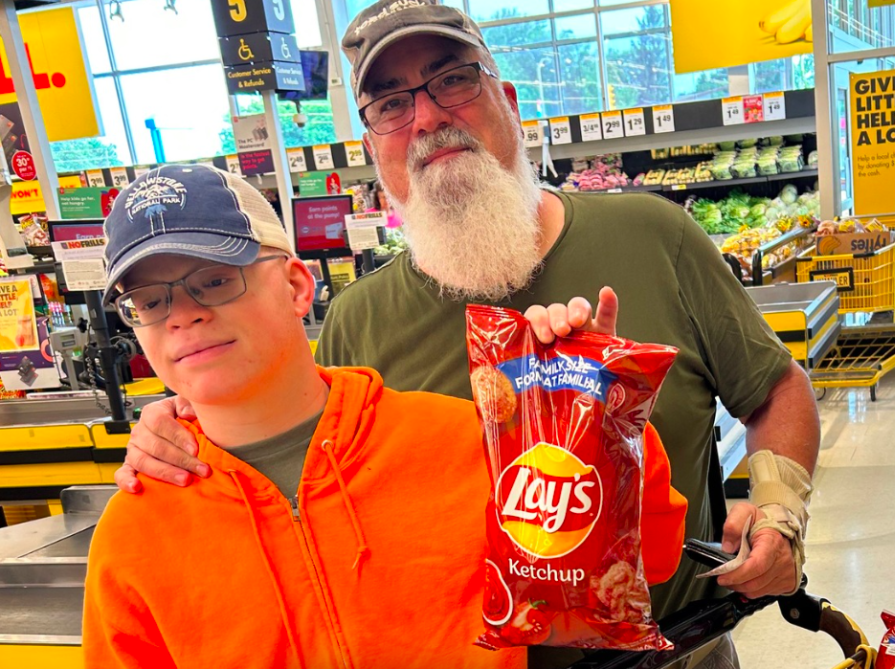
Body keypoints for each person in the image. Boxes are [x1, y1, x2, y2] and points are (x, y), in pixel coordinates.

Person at [116, 1, 820, 666]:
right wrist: (184, 425)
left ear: (507, 102)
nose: (425, 118)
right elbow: (301, 482)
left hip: (674, 652)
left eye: (451, 81)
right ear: (374, 147)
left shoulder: (654, 235)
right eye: (391, 103)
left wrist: (780, 512)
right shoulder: (358, 321)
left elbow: (774, 386)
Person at [82, 164, 688, 668]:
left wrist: (598, 431)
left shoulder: (462, 443)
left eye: (214, 280)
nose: (182, 315)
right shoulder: (136, 534)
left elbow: (648, 561)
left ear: (296, 285)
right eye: (150, 301)